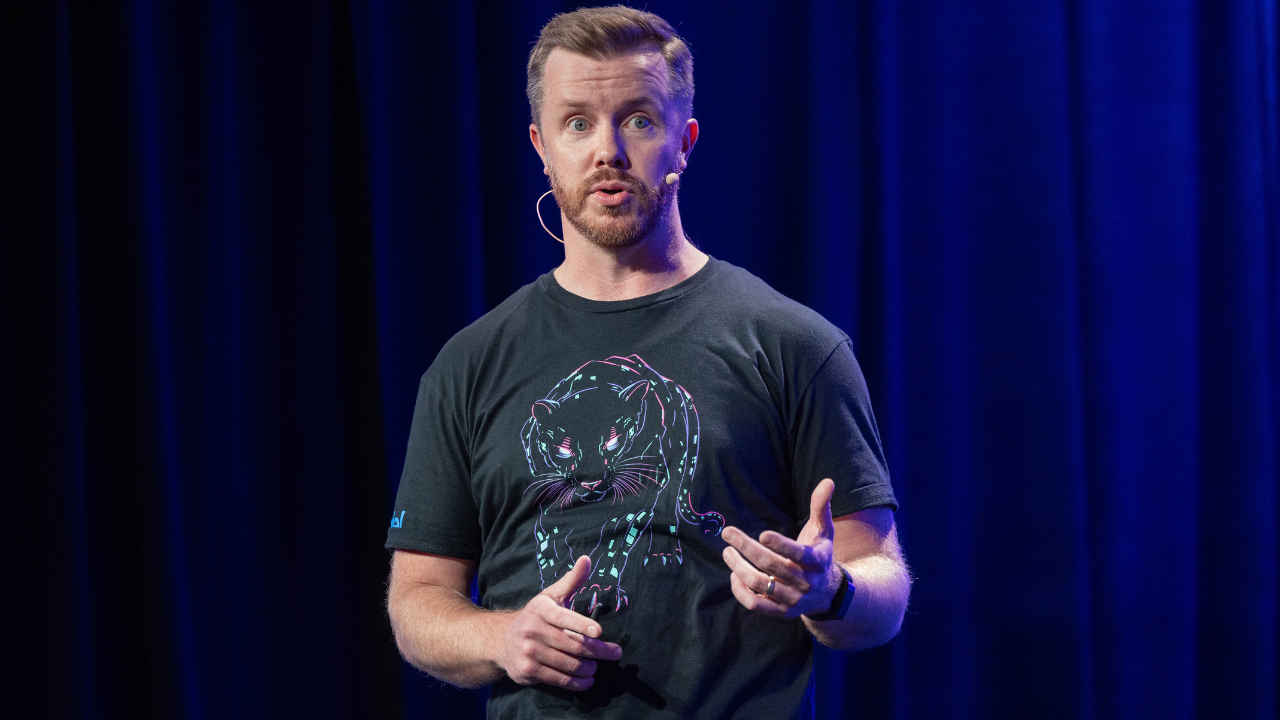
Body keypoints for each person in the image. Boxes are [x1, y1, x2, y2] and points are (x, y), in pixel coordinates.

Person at [385, 6, 910, 718]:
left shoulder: (794, 345)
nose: (608, 150)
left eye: (638, 120)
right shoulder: (469, 365)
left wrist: (832, 591)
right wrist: (502, 637)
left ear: (683, 141)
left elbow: (883, 587)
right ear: (542, 146)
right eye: (577, 123)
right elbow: (417, 601)